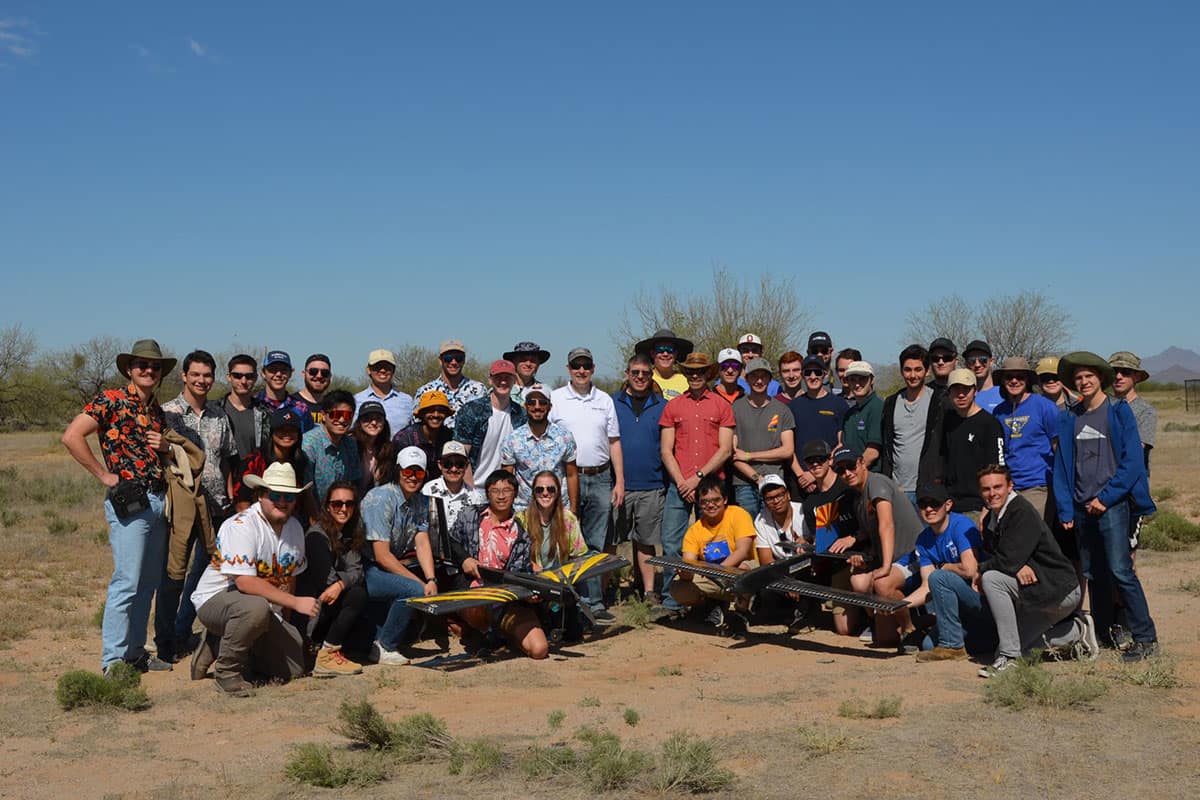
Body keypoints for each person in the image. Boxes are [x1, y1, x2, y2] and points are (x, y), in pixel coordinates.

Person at [62, 339, 175, 674]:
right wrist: (104, 475)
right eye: (141, 364)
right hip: (130, 501)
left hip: (157, 500)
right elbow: (72, 436)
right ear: (129, 368)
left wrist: (166, 447)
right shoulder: (110, 400)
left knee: (147, 582)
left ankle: (136, 652)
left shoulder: (156, 409)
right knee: (126, 580)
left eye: (154, 366)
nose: (148, 370)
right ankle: (112, 662)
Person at [1052, 352, 1158, 661]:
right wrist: (1065, 509)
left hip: (1111, 505)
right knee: (1093, 573)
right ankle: (1103, 633)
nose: (1084, 382)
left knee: (1121, 571)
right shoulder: (1069, 417)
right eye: (1079, 378)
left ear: (1101, 379)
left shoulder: (1119, 412)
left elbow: (1133, 463)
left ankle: (1145, 637)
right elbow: (1061, 466)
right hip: (1082, 506)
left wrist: (1106, 497)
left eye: (1089, 377)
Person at [188, 462, 314, 696]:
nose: (282, 501)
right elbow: (245, 583)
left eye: (289, 496)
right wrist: (295, 603)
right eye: (275, 494)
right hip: (216, 600)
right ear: (261, 495)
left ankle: (221, 644)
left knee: (294, 667)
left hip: (262, 608)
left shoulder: (295, 528)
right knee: (254, 608)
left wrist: (285, 623)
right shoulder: (241, 525)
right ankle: (227, 672)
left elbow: (290, 579)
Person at [157, 349, 239, 664]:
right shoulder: (168, 413)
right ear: (184, 376)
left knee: (203, 576)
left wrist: (230, 495)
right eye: (196, 375)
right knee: (173, 576)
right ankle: (164, 643)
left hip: (217, 508)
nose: (202, 380)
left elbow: (227, 459)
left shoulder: (220, 415)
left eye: (207, 375)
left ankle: (182, 632)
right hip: (183, 508)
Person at [976, 465, 1098, 677]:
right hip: (1035, 590)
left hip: (1058, 590)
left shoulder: (1020, 511)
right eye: (986, 489)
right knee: (1017, 648)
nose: (992, 493)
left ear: (1010, 486)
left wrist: (988, 569)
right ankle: (1077, 631)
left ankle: (1009, 658)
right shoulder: (991, 519)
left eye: (998, 487)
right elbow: (1001, 555)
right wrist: (1016, 565)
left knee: (991, 579)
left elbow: (1005, 560)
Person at [659, 352, 736, 613]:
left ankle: (716, 598)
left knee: (715, 544)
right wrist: (682, 482)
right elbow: (666, 450)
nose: (695, 376)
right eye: (691, 371)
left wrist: (697, 479)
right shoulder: (673, 406)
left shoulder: (721, 405)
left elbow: (725, 450)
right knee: (672, 543)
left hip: (712, 486)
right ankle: (674, 599)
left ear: (708, 374)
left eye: (700, 371)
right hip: (678, 485)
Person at [448, 471, 549, 659]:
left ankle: (500, 634)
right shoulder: (470, 515)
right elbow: (450, 542)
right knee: (477, 605)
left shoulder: (521, 532)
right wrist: (464, 559)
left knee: (539, 649)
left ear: (516, 493)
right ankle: (480, 631)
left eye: (507, 490)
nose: (501, 496)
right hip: (473, 591)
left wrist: (529, 596)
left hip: (506, 599)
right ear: (487, 493)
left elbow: (519, 572)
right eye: (495, 490)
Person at [831, 445, 924, 647]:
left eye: (850, 466)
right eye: (840, 470)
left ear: (862, 463)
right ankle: (887, 621)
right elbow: (871, 533)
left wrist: (885, 567)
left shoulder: (877, 483)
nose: (847, 473)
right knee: (859, 582)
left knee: (882, 582)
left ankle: (911, 629)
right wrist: (857, 543)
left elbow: (886, 525)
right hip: (893, 558)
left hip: (914, 555)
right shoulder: (858, 498)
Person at [360, 446, 438, 665]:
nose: (413, 477)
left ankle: (380, 641)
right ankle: (386, 646)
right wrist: (421, 583)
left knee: (418, 586)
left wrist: (431, 578)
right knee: (413, 590)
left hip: (384, 566)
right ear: (398, 470)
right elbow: (381, 556)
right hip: (365, 567)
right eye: (407, 471)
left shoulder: (421, 501)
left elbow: (421, 540)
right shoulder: (380, 498)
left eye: (419, 473)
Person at [549, 347, 624, 553]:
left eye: (586, 366)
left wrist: (619, 481)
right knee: (566, 540)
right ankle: (567, 586)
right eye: (576, 365)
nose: (581, 370)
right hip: (567, 477)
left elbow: (614, 442)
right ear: (568, 369)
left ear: (593, 369)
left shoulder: (605, 400)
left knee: (595, 544)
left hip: (601, 478)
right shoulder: (555, 399)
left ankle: (592, 587)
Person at [612, 353, 669, 605]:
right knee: (612, 542)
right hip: (618, 484)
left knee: (646, 541)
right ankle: (608, 589)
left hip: (652, 483)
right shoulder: (612, 402)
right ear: (627, 374)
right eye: (635, 372)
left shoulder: (662, 405)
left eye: (645, 373)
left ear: (651, 375)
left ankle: (648, 592)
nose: (640, 377)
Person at [908, 483, 987, 662]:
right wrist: (899, 605)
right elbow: (926, 586)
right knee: (928, 645)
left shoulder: (961, 525)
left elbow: (970, 569)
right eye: (923, 505)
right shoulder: (923, 539)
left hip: (979, 600)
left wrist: (944, 566)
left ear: (948, 505)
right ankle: (977, 642)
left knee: (940, 576)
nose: (929, 509)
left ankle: (952, 646)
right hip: (959, 610)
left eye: (934, 504)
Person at [295, 481, 368, 676]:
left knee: (365, 640)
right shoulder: (316, 536)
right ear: (328, 506)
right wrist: (340, 582)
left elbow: (358, 570)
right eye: (337, 504)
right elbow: (326, 581)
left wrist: (341, 583)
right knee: (357, 595)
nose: (343, 509)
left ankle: (326, 648)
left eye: (349, 504)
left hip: (330, 600)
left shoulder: (349, 532)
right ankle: (326, 654)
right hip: (312, 607)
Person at [668, 476, 757, 633]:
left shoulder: (739, 514)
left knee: (745, 569)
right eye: (705, 501)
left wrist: (718, 570)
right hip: (714, 578)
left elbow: (743, 551)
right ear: (699, 504)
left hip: (740, 571)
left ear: (725, 499)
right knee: (678, 587)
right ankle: (709, 607)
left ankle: (739, 612)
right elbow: (689, 562)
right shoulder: (694, 531)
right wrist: (685, 573)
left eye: (715, 500)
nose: (710, 505)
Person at [799, 439, 864, 636]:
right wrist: (808, 545)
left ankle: (871, 617)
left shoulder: (849, 486)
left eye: (821, 459)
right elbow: (818, 538)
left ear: (829, 460)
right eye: (811, 461)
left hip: (862, 554)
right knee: (844, 630)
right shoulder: (810, 502)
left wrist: (854, 539)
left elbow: (872, 524)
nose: (816, 464)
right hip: (837, 563)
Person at [991, 357, 1059, 517]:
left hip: (1039, 486)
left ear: (1027, 380)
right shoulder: (999, 412)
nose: (1014, 381)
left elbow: (1058, 447)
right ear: (1002, 380)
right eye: (1009, 377)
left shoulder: (1045, 407)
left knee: (1034, 537)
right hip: (1009, 488)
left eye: (1020, 377)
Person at [729, 357, 796, 518]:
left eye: (763, 376)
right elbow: (733, 453)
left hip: (775, 482)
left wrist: (750, 456)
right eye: (754, 376)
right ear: (747, 378)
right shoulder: (735, 408)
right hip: (744, 483)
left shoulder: (782, 410)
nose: (759, 381)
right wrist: (757, 478)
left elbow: (787, 450)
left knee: (774, 531)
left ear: (769, 379)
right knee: (747, 533)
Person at [880, 344, 944, 508]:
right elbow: (887, 444)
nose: (913, 375)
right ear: (901, 371)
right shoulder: (891, 403)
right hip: (897, 488)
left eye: (918, 369)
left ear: (927, 371)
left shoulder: (939, 402)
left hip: (927, 487)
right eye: (908, 370)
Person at [503, 384, 579, 512]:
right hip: (524, 509)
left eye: (542, 402)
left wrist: (574, 510)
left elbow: (572, 474)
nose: (537, 407)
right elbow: (506, 478)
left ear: (550, 407)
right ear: (525, 406)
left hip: (559, 509)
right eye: (532, 402)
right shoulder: (513, 439)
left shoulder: (565, 437)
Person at [940, 368, 1006, 516]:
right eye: (956, 390)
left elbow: (998, 468)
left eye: (966, 389)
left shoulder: (990, 424)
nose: (961, 394)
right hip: (950, 506)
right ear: (949, 393)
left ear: (975, 391)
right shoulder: (947, 422)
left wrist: (988, 507)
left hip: (978, 507)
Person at [454, 359, 526, 487]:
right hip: (474, 487)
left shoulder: (521, 415)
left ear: (515, 381)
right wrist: (471, 492)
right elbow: (461, 456)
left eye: (508, 377)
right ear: (490, 380)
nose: (503, 382)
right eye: (498, 377)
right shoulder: (471, 411)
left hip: (506, 490)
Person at [788, 355, 846, 495]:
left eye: (817, 372)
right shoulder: (793, 406)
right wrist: (802, 476)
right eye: (808, 372)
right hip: (800, 481)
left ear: (825, 374)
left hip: (830, 479)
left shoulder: (839, 404)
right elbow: (788, 448)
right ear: (802, 375)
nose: (813, 377)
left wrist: (816, 474)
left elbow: (841, 443)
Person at [232, 408, 311, 512]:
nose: (287, 434)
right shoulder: (253, 461)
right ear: (272, 432)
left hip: (288, 520)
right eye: (281, 429)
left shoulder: (301, 461)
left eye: (292, 430)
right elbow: (242, 504)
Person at [301, 389, 361, 507]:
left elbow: (353, 482)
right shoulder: (309, 443)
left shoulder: (351, 444)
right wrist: (316, 519)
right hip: (312, 513)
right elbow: (305, 488)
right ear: (323, 415)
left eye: (347, 415)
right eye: (336, 415)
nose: (342, 420)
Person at [414, 339, 489, 429]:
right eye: (448, 358)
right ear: (440, 360)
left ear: (464, 360)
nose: (453, 362)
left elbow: (486, 424)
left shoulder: (479, 390)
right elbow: (417, 426)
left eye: (458, 358)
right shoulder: (425, 391)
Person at [525, 471, 588, 572]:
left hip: (561, 580)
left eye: (551, 489)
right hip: (530, 579)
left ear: (558, 492)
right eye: (539, 489)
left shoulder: (568, 519)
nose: (545, 493)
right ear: (534, 493)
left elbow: (579, 556)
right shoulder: (522, 519)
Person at [1109, 352, 1156, 473]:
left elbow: (1136, 451)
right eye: (1114, 371)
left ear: (1137, 376)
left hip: (1131, 480)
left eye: (1125, 372)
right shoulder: (1102, 405)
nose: (1118, 376)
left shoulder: (1145, 411)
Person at [393, 390, 454, 483]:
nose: (436, 415)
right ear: (422, 413)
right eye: (431, 411)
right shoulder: (404, 439)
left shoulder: (450, 437)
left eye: (441, 411)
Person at [422, 441, 474, 548]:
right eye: (448, 464)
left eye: (459, 464)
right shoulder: (427, 491)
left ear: (467, 466)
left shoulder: (476, 497)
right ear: (439, 465)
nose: (454, 469)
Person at [354, 349, 415, 436]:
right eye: (377, 366)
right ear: (368, 370)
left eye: (387, 367)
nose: (382, 370)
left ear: (393, 370)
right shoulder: (356, 400)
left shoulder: (407, 401)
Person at [221, 353, 270, 459]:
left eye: (249, 376)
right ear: (229, 377)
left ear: (256, 378)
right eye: (237, 376)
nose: (243, 381)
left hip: (254, 474)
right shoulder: (215, 410)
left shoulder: (265, 414)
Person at [256, 350, 314, 432]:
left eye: (284, 370)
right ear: (263, 373)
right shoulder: (254, 405)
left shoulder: (301, 409)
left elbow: (308, 439)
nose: (279, 374)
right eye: (273, 370)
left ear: (290, 374)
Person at [754, 474, 806, 564]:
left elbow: (819, 547)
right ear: (765, 502)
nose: (776, 501)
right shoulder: (760, 521)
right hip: (780, 569)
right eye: (770, 498)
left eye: (780, 495)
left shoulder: (803, 512)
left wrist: (807, 546)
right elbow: (766, 561)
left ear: (788, 495)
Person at [841, 361, 884, 471]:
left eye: (862, 379)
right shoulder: (849, 414)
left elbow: (873, 452)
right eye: (853, 379)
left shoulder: (877, 407)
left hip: (870, 476)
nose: (857, 384)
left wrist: (854, 471)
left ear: (872, 380)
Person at [635, 327, 693, 400]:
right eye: (660, 350)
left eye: (670, 350)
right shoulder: (643, 379)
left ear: (675, 354)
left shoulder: (687, 381)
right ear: (652, 353)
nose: (665, 354)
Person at [351, 399, 394, 493]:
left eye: (378, 419)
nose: (374, 423)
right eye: (368, 418)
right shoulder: (350, 444)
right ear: (359, 422)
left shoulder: (388, 448)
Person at [504, 341, 551, 406]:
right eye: (523, 359)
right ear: (514, 362)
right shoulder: (501, 389)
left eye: (533, 360)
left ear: (538, 364)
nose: (528, 364)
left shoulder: (546, 391)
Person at [963, 340, 1002, 414]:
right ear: (966, 364)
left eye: (983, 360)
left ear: (991, 361)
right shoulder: (962, 395)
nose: (977, 365)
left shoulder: (1004, 393)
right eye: (972, 361)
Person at [293, 353, 332, 427]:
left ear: (330, 376)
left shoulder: (333, 406)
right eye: (313, 371)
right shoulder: (290, 404)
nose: (319, 376)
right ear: (304, 374)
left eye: (325, 373)